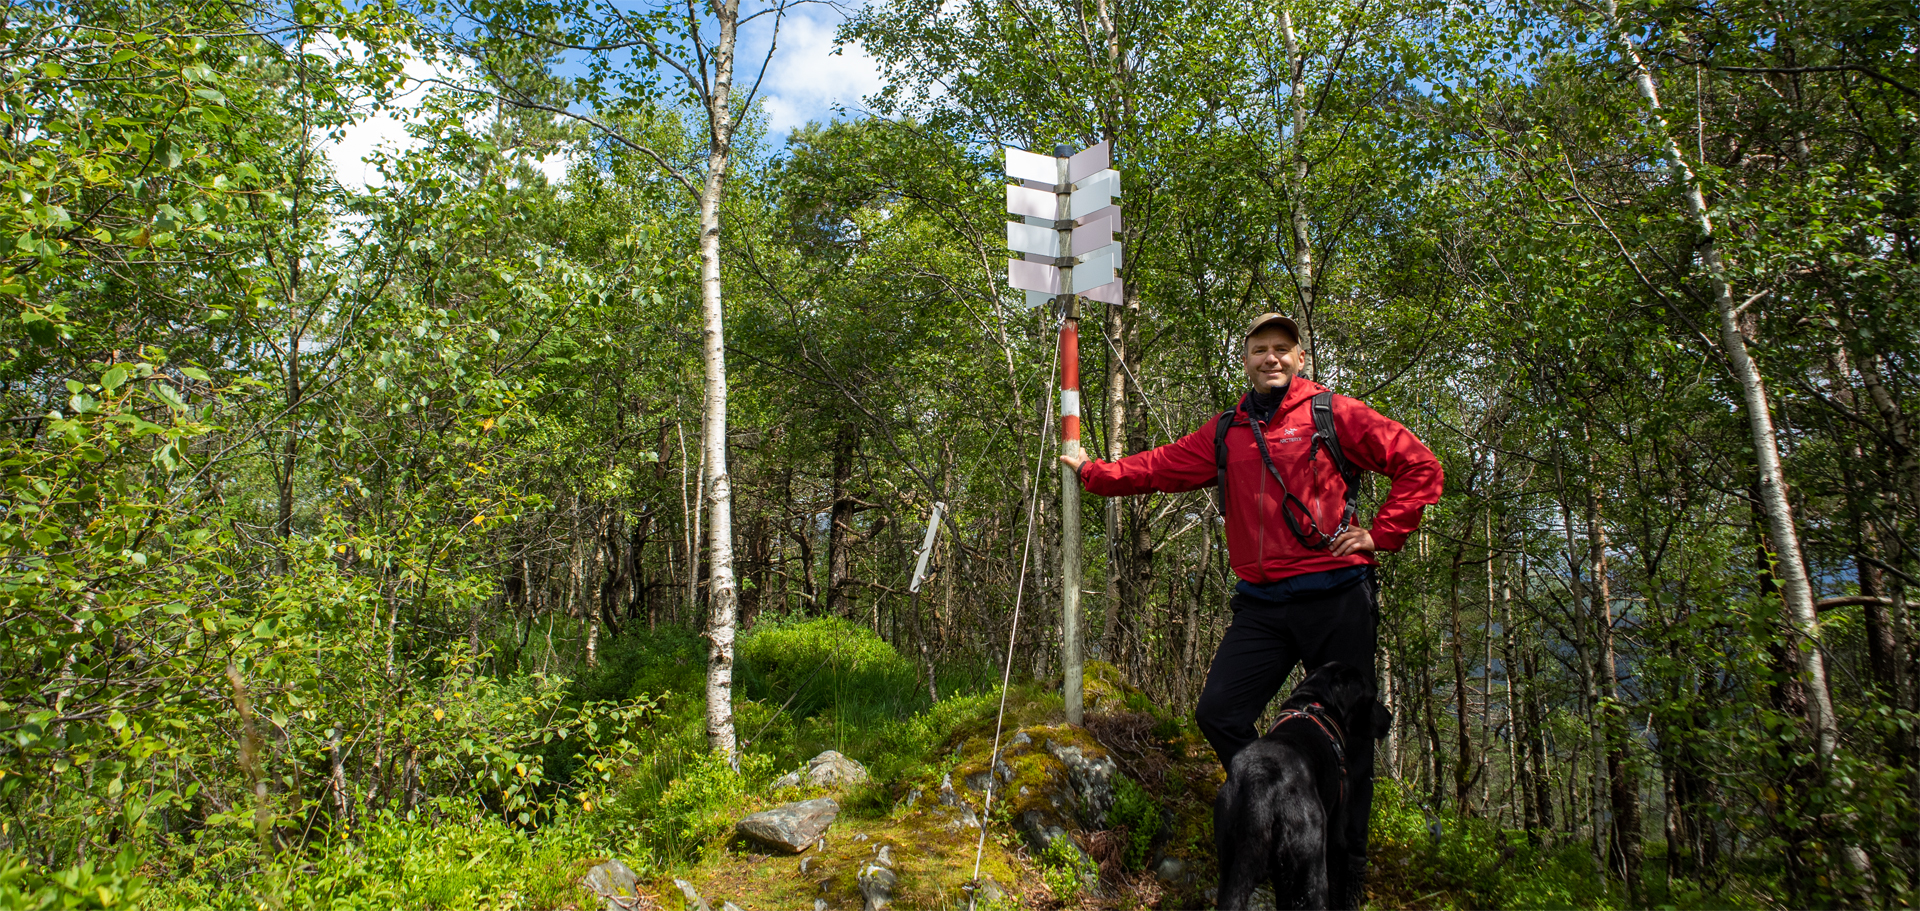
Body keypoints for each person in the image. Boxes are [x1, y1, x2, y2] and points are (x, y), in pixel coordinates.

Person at [1060, 312, 1443, 893]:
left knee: (1355, 739)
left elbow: (1419, 464)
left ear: (1300, 357)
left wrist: (1383, 533)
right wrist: (1094, 472)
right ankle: (1281, 805)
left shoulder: (1333, 415)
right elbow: (1160, 466)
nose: (1272, 358)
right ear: (1246, 359)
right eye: (1261, 349)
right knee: (1219, 712)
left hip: (1337, 596)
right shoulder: (1228, 431)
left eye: (1283, 349)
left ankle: (1344, 876)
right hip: (1262, 604)